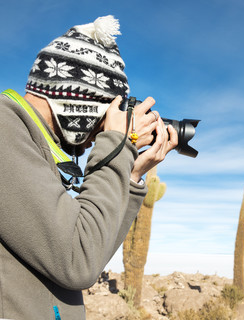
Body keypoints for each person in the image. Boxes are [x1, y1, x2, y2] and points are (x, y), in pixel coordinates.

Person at [0, 16, 178, 319]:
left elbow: (92, 249)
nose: (95, 138)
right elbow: (77, 260)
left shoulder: (31, 144)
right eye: (102, 122)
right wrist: (116, 144)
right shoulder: (5, 128)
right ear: (79, 102)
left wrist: (131, 176)